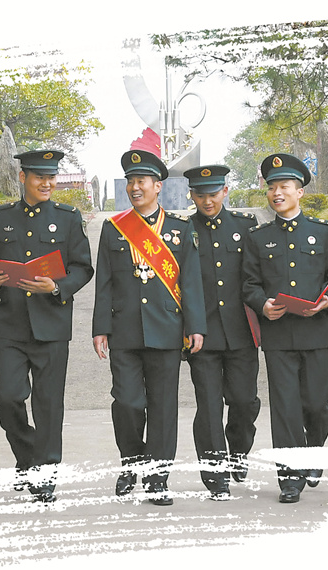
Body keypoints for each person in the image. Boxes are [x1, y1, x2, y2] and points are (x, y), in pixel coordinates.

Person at [92, 149, 207, 506]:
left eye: (141, 181)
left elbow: (191, 282)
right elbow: (104, 283)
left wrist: (195, 326)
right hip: (124, 330)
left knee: (162, 408)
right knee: (127, 403)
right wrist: (100, 328)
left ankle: (158, 479)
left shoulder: (180, 229)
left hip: (167, 329)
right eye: (130, 181)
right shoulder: (113, 228)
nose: (135, 187)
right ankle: (131, 462)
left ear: (158, 186)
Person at [0, 149, 94, 503]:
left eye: (51, 177)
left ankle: (45, 473)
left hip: (51, 324)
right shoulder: (2, 217)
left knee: (48, 404)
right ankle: (28, 455)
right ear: (23, 178)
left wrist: (57, 287)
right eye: (39, 177)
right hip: (11, 324)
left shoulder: (68, 218)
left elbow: (82, 267)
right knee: (6, 397)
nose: (47, 183)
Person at [241, 153, 328, 504]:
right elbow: (250, 283)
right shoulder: (258, 237)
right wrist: (262, 304)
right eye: (272, 187)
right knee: (285, 407)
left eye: (284, 186)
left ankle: (314, 451)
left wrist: (327, 301)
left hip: (317, 331)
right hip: (279, 334)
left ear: (300, 191)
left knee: (317, 403)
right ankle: (289, 477)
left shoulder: (322, 231)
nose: (277, 193)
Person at [182, 164, 260, 500]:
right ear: (192, 195)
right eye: (200, 195)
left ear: (225, 191)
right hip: (202, 335)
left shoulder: (246, 227)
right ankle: (215, 475)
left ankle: (239, 450)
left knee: (244, 401)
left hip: (241, 333)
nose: (207, 201)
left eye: (213, 194)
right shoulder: (183, 231)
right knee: (209, 407)